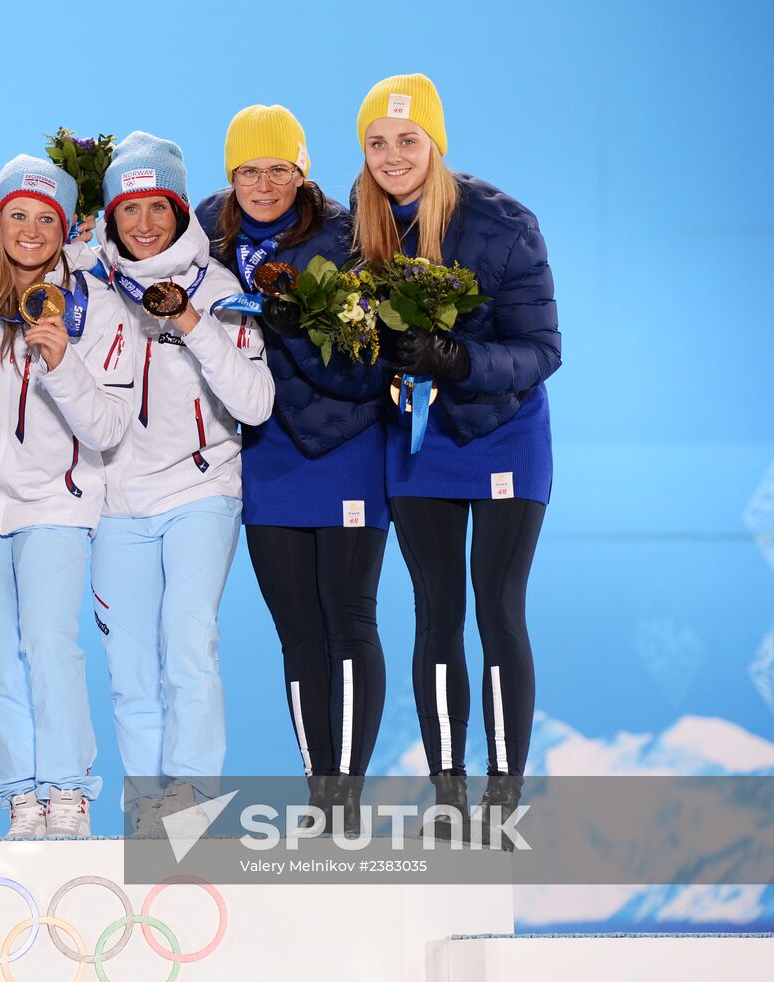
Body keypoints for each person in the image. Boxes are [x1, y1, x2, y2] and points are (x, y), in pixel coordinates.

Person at [352, 74, 560, 836]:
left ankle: (502, 795)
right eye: (378, 142)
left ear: (435, 142)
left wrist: (458, 359)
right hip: (418, 441)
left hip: (503, 434)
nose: (392, 156)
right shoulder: (359, 227)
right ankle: (448, 794)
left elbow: (542, 350)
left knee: (499, 608)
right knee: (435, 614)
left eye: (408, 140)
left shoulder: (504, 222)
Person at [195, 106, 390, 830]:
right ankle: (319, 791)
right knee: (298, 633)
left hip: (344, 447)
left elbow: (369, 362)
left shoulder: (347, 239)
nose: (264, 183)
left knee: (349, 620)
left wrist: (293, 328)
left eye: (279, 168)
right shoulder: (207, 234)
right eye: (249, 169)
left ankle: (349, 796)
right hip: (267, 453)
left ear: (301, 172)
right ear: (232, 176)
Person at [0, 155, 135, 838]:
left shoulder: (98, 306)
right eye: (16, 215)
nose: (29, 230)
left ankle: (67, 794)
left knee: (51, 645)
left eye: (46, 218)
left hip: (57, 504)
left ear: (66, 228)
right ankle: (21, 798)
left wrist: (61, 364)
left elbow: (110, 426)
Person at [91, 132, 273, 834]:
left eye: (156, 208)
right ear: (110, 216)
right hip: (116, 498)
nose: (143, 225)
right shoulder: (91, 284)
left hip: (202, 490)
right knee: (129, 660)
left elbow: (254, 404)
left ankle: (192, 799)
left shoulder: (220, 288)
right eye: (127, 210)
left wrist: (191, 322)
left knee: (187, 641)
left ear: (177, 209)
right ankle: (145, 805)